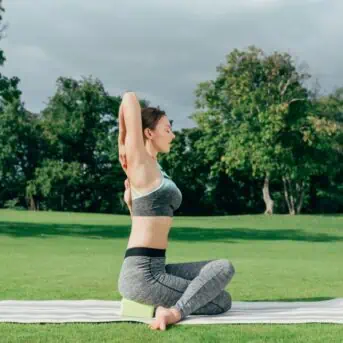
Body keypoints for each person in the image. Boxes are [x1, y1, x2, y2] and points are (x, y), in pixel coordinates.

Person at [117, 92, 235, 331]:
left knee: (217, 278)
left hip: (156, 266)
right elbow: (129, 98)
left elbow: (143, 223)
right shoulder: (140, 163)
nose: (173, 134)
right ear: (149, 133)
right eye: (167, 129)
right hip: (144, 274)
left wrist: (131, 203)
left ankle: (145, 307)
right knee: (222, 290)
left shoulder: (155, 167)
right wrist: (123, 142)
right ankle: (173, 312)